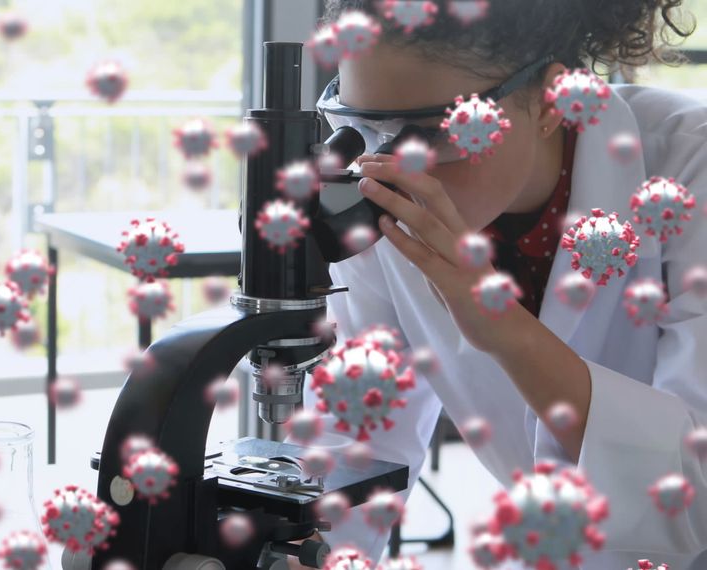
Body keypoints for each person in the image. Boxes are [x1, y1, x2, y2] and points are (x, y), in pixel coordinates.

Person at [289, 0, 707, 568]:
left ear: (548, 103)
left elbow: (694, 481)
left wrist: (503, 329)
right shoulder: (382, 203)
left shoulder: (689, 167)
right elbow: (363, 448)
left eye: (434, 131)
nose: (393, 167)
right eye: (364, 128)